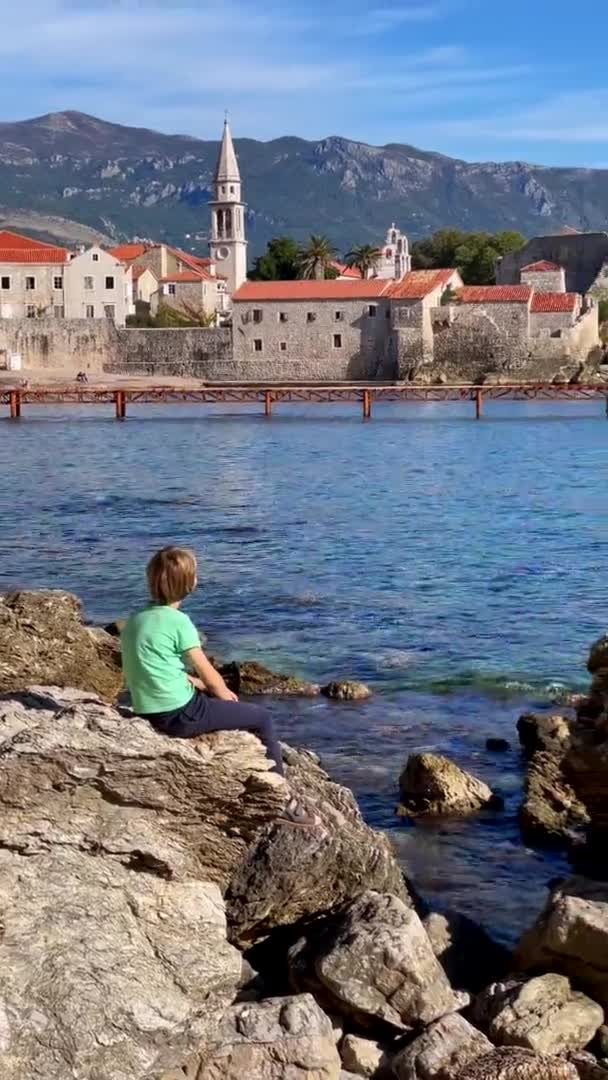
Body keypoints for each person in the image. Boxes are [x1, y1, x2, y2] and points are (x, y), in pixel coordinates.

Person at [121, 546, 322, 829]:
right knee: (261, 718)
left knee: (205, 692)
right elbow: (209, 672)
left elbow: (152, 666)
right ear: (190, 584)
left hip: (147, 708)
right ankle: (281, 799)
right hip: (179, 715)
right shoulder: (180, 623)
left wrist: (194, 682)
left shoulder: (136, 619)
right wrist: (222, 693)